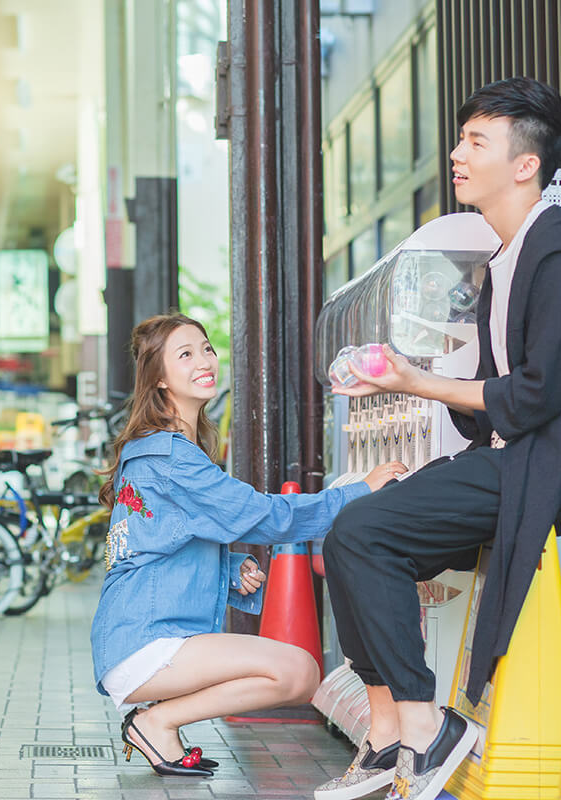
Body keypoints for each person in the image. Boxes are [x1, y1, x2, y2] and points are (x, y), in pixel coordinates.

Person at [314, 77, 561, 800]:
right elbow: (493, 407)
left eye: (476, 141)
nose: (457, 154)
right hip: (509, 458)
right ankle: (389, 729)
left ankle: (432, 731)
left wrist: (415, 382)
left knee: (367, 534)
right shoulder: (508, 258)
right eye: (461, 138)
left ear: (526, 164)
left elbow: (536, 397)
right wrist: (403, 381)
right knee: (348, 535)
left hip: (547, 471)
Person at [90, 312, 408, 778]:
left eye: (206, 348)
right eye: (185, 354)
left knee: (298, 670)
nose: (205, 360)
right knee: (298, 671)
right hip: (145, 639)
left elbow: (156, 542)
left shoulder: (161, 448)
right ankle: (157, 720)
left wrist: (230, 566)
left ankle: (158, 722)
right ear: (158, 380)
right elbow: (263, 515)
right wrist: (358, 491)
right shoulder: (170, 457)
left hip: (133, 633)